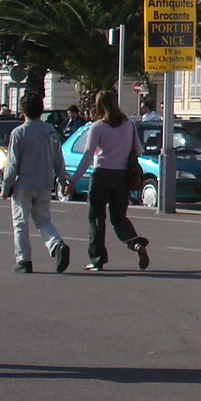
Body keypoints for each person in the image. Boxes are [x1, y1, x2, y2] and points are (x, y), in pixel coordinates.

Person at [67, 90, 149, 272]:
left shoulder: (98, 127)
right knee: (119, 217)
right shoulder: (129, 125)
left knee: (96, 218)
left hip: (102, 175)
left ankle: (97, 259)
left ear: (99, 106)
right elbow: (138, 150)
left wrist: (74, 180)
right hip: (122, 176)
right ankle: (135, 243)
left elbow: (88, 155)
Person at [1, 93, 71, 273]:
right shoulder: (49, 130)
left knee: (20, 223)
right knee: (43, 220)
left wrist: (5, 186)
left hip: (23, 185)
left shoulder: (19, 132)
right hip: (44, 184)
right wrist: (63, 180)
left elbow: (13, 163)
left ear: (22, 110)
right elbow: (58, 158)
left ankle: (24, 260)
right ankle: (56, 244)